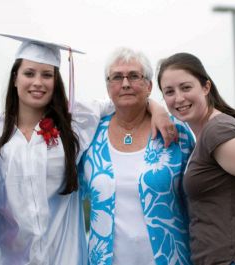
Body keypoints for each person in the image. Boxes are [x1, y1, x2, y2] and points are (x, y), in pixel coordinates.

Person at [0, 35, 177, 265]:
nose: (38, 82)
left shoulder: (75, 124)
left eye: (47, 75)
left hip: (64, 256)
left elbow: (123, 99)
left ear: (56, 80)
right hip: (5, 257)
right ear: (15, 78)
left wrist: (157, 107)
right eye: (29, 73)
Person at [157, 52, 235, 265]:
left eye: (186, 87)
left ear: (206, 87)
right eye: (169, 91)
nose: (178, 98)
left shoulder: (218, 131)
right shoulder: (206, 134)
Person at [78, 47, 195, 265]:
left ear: (149, 85)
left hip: (172, 259)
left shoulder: (175, 132)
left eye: (134, 76)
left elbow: (199, 199)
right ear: (108, 87)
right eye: (117, 77)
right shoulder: (90, 136)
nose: (125, 84)